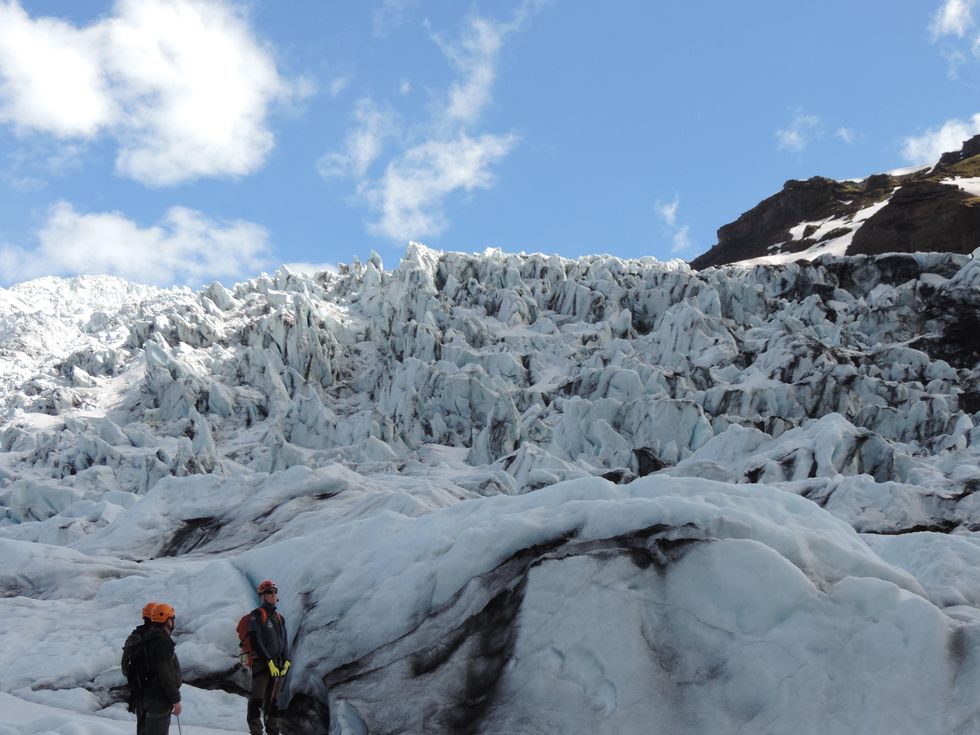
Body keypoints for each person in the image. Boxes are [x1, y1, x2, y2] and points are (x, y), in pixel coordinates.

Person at [246, 580, 290, 735]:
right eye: (269, 592)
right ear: (262, 596)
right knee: (257, 701)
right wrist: (268, 660)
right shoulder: (257, 615)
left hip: (277, 665)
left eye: (274, 592)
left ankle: (273, 731)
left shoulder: (279, 618)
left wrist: (287, 661)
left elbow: (284, 642)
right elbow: (255, 639)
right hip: (262, 665)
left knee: (274, 702)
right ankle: (256, 732)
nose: (273, 595)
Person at [139, 602, 183, 735]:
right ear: (167, 621)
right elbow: (165, 674)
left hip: (148, 696)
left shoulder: (150, 638)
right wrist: (175, 699)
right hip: (158, 698)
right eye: (172, 619)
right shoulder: (162, 643)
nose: (173, 622)